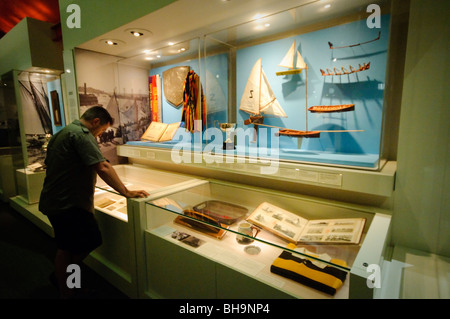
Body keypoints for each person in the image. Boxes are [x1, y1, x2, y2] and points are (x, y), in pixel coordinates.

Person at [39, 106, 149, 298]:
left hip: (55, 200)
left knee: (68, 247)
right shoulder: (82, 135)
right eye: (101, 130)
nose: (100, 135)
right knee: (79, 245)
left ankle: (68, 282)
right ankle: (67, 288)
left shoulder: (62, 133)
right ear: (96, 122)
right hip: (68, 204)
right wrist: (126, 192)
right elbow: (103, 166)